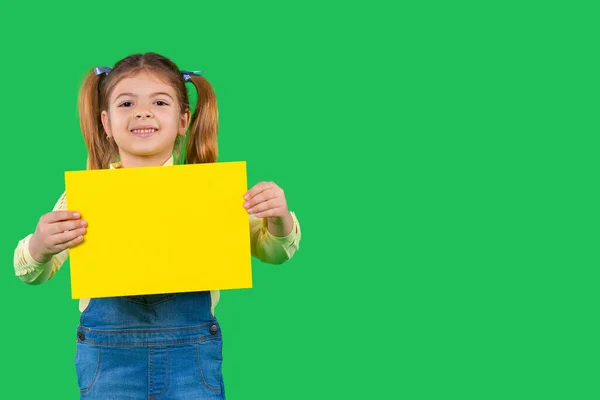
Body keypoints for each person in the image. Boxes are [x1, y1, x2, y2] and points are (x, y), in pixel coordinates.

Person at [13, 52, 301, 399]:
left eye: (159, 102)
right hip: (109, 361)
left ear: (183, 119)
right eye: (127, 103)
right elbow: (30, 271)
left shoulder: (214, 192)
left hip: (190, 358)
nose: (142, 112)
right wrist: (40, 246)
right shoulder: (84, 197)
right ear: (105, 122)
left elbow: (273, 251)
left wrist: (279, 218)